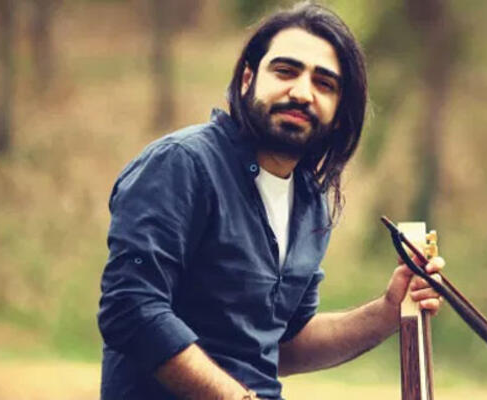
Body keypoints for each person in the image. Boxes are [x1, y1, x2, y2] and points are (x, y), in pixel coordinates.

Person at [97, 3, 445, 399]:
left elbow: (282, 344)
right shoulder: (182, 165)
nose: (302, 92)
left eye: (324, 84)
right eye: (285, 71)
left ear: (338, 112)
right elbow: (131, 308)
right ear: (248, 79)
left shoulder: (309, 203)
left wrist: (386, 312)